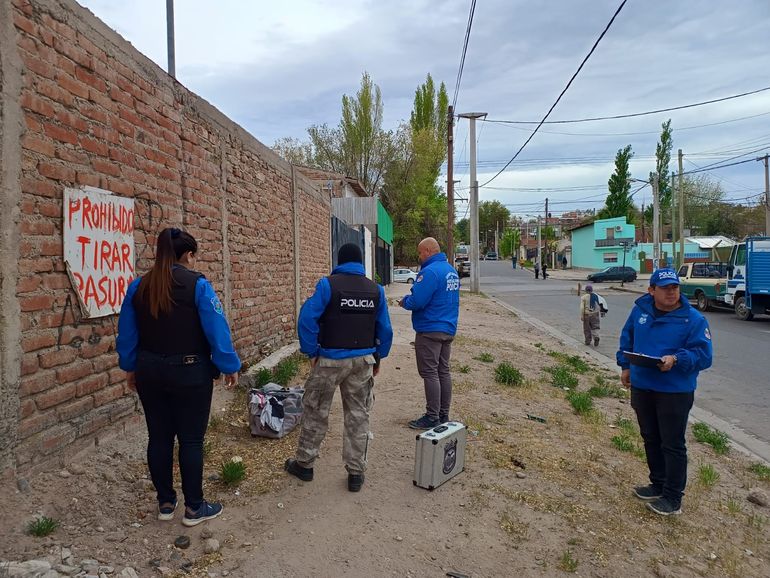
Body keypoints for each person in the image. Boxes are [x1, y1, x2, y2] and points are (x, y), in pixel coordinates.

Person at [117, 227, 241, 527]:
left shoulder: (138, 286)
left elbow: (127, 334)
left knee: (158, 437)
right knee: (191, 441)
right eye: (192, 256)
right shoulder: (197, 285)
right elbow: (216, 328)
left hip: (149, 372)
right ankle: (195, 508)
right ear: (187, 255)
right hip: (190, 372)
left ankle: (165, 503)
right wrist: (229, 365)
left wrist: (131, 367)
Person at [285, 243, 393, 492]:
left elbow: (307, 318)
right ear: (361, 262)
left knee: (315, 411)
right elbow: (384, 329)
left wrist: (311, 351)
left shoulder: (327, 285)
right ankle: (356, 473)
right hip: (362, 360)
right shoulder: (375, 290)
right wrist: (378, 357)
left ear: (339, 260)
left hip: (329, 360)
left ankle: (305, 465)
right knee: (358, 415)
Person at [617, 268, 713, 516]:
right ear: (651, 290)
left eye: (675, 287)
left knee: (672, 443)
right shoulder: (640, 311)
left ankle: (673, 497)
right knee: (650, 437)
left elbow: (703, 355)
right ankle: (657, 483)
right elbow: (627, 338)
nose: (671, 292)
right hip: (642, 386)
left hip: (674, 391)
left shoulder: (693, 319)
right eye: (665, 288)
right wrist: (625, 367)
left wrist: (676, 359)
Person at [399, 238, 460, 429]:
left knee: (430, 373)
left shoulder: (430, 271)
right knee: (443, 371)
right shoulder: (451, 270)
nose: (419, 257)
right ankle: (443, 414)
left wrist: (405, 301)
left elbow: (418, 301)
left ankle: (432, 416)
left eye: (420, 253)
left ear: (428, 251)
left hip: (430, 328)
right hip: (448, 327)